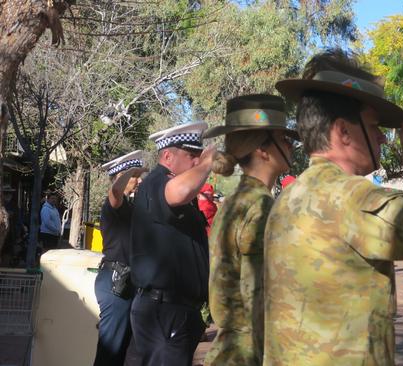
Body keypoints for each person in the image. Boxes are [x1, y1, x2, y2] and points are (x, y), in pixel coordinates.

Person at [264, 49, 403, 365]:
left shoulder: (291, 196)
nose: (382, 138)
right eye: (373, 126)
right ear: (343, 131)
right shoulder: (347, 195)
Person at [202, 94, 299, 366]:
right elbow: (258, 299)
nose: (292, 146)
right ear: (263, 150)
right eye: (284, 139)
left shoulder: (235, 202)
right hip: (249, 353)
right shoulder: (261, 207)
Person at [129, 122, 216, 366]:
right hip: (164, 308)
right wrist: (208, 162)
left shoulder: (173, 190)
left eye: (199, 156)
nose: (197, 162)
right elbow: (181, 190)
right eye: (192, 156)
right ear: (168, 155)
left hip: (176, 310)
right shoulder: (157, 182)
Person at [94, 150, 147, 366]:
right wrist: (127, 173)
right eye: (135, 176)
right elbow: (115, 190)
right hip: (115, 279)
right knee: (110, 352)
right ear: (121, 177)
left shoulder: (130, 206)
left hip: (126, 281)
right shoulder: (114, 204)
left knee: (120, 350)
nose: (139, 180)